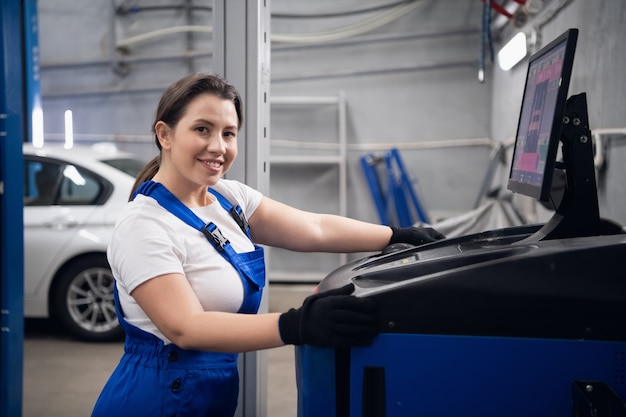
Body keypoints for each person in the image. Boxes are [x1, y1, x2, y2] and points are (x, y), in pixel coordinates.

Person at [91, 73, 444, 417]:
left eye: (229, 133)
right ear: (164, 134)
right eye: (202, 129)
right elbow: (187, 328)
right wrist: (296, 325)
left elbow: (314, 228)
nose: (219, 146)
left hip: (208, 396)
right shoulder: (143, 225)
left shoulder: (229, 198)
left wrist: (396, 235)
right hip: (154, 399)